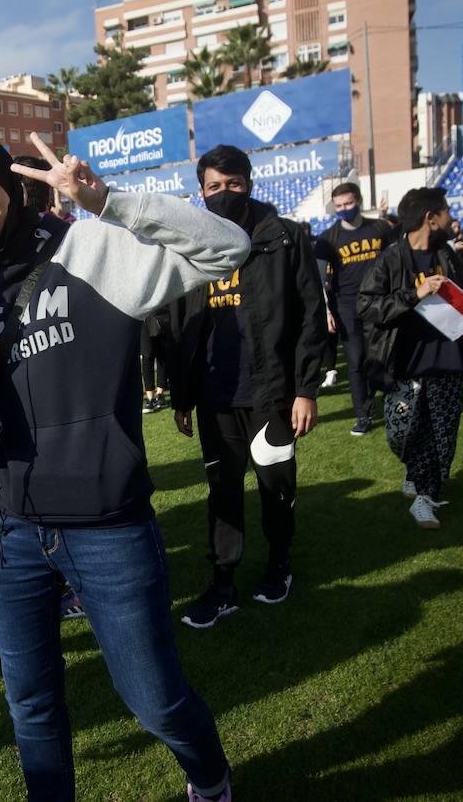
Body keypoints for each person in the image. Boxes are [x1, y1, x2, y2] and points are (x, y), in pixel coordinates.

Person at [0, 132, 248, 802]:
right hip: (9, 532)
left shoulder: (92, 248)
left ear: (10, 182)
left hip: (108, 527)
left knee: (155, 700)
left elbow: (227, 248)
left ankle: (210, 780)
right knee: (31, 706)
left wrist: (109, 201)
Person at [168, 145, 325, 628]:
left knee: (276, 488)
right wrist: (181, 395)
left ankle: (279, 564)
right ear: (201, 192)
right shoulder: (190, 243)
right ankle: (223, 584)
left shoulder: (285, 237)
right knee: (222, 494)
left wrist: (306, 389)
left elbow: (310, 314)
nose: (224, 194)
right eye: (214, 186)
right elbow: (180, 322)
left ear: (249, 183)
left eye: (233, 184)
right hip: (215, 398)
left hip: (271, 393)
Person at [358, 187, 463, 530]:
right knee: (401, 434)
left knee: (441, 435)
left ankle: (426, 496)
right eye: (446, 210)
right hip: (405, 362)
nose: (451, 216)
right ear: (430, 217)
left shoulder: (446, 253)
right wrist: (414, 294)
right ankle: (416, 469)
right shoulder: (391, 258)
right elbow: (367, 305)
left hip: (447, 360)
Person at [313, 182, 397, 435]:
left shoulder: (380, 228)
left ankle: (392, 401)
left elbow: (396, 262)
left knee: (383, 357)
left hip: (379, 302)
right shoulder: (328, 238)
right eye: (339, 206)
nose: (344, 209)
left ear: (358, 200)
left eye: (348, 203)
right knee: (356, 361)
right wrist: (326, 311)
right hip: (346, 306)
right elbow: (318, 278)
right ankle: (363, 413)